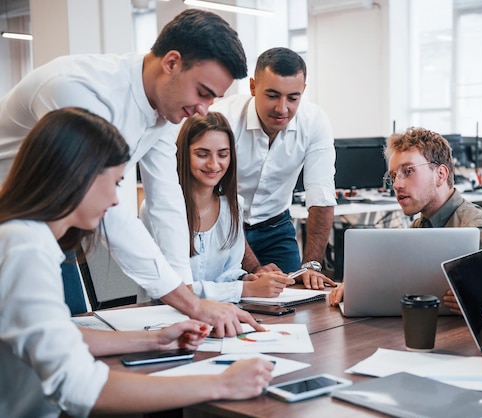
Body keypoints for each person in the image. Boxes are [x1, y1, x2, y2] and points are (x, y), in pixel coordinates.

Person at [0, 9, 262, 336]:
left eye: (213, 99)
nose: (203, 109)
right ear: (171, 63)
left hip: (55, 221)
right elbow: (109, 210)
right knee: (42, 345)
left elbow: (166, 199)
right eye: (202, 92)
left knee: (70, 336)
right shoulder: (81, 91)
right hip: (13, 218)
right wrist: (191, 303)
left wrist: (187, 294)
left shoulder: (166, 109)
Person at [0, 108, 274, 418]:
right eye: (115, 183)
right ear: (79, 177)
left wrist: (156, 339)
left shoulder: (28, 238)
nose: (116, 201)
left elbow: (58, 335)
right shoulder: (25, 248)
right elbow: (79, 387)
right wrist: (222, 384)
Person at [330, 127, 482, 312]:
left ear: (440, 174)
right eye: (394, 176)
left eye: (408, 171)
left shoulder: (474, 228)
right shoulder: (421, 226)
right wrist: (358, 285)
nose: (397, 184)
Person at [210, 47, 337, 290]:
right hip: (224, 227)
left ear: (303, 92)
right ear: (253, 87)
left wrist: (311, 265)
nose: (282, 108)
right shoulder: (222, 119)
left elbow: (321, 197)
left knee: (297, 300)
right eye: (272, 95)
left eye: (293, 98)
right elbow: (213, 198)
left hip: (276, 228)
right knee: (231, 301)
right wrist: (254, 267)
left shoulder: (314, 122)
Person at [141, 112, 295, 301]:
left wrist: (248, 278)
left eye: (222, 154)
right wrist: (244, 289)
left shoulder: (232, 206)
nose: (214, 165)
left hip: (217, 314)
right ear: (183, 154)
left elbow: (227, 272)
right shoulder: (155, 209)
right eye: (202, 154)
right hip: (163, 317)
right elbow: (174, 288)